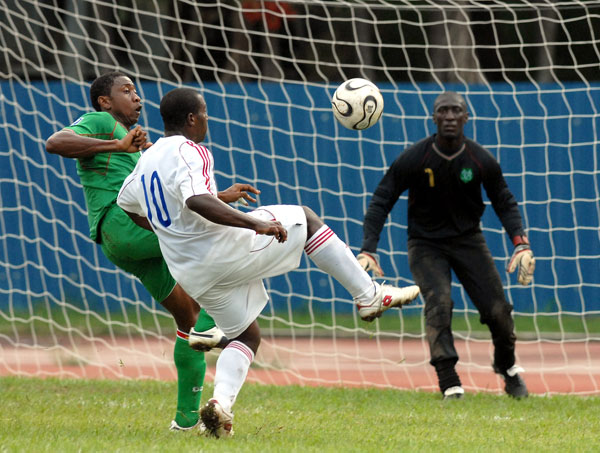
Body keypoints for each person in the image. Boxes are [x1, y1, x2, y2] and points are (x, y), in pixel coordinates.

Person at [116, 87, 421, 438]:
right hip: (221, 251)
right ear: (190, 119)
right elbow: (197, 200)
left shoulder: (145, 162)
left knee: (246, 334)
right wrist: (254, 222)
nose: (206, 122)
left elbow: (128, 205)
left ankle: (220, 408)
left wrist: (171, 230)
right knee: (305, 220)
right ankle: (368, 295)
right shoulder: (191, 150)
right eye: (204, 115)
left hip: (191, 271)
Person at [44, 72, 256, 431]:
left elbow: (167, 200)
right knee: (225, 237)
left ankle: (186, 422)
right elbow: (55, 142)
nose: (136, 98)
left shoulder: (146, 144)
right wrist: (117, 146)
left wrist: (219, 197)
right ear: (105, 102)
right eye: (126, 91)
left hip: (127, 242)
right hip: (121, 223)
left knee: (187, 317)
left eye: (137, 92)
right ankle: (211, 327)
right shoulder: (102, 122)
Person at [357, 91, 535, 400]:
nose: (450, 116)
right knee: (439, 304)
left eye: (456, 111)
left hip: (469, 241)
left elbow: (504, 202)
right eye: (443, 111)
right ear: (434, 117)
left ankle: (507, 368)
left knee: (499, 312)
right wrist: (368, 248)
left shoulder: (480, 160)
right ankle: (449, 379)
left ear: (466, 118)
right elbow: (381, 201)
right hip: (425, 245)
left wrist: (521, 243)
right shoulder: (415, 158)